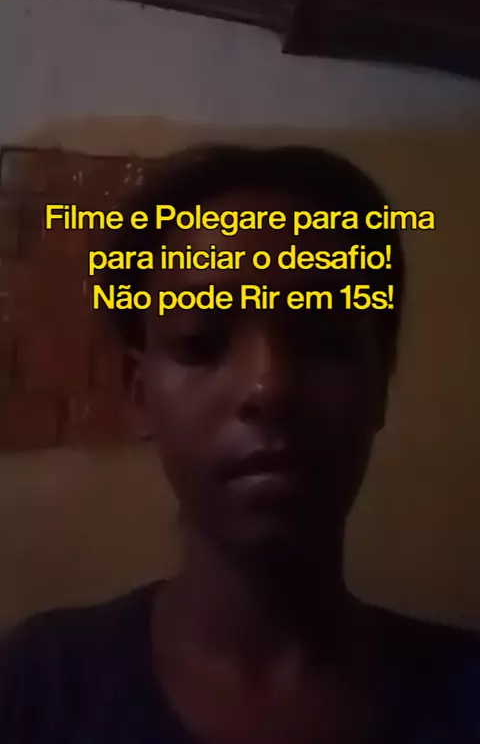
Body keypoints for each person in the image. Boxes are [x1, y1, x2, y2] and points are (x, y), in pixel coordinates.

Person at [0, 145, 478, 744]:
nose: (267, 386)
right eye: (201, 343)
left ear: (379, 382)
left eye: (324, 337)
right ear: (139, 393)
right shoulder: (36, 690)